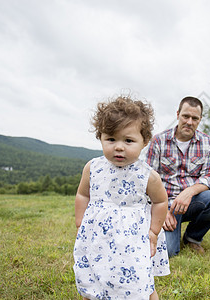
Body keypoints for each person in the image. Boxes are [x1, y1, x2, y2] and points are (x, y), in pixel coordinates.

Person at [74, 96, 170, 300]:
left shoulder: (147, 175)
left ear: (144, 142)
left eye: (128, 140)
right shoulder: (92, 168)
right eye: (111, 139)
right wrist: (80, 221)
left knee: (140, 281)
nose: (119, 147)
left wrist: (153, 232)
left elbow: (161, 202)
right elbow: (83, 194)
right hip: (98, 236)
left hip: (133, 239)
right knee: (93, 278)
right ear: (100, 137)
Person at [146, 96, 210, 257]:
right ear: (177, 114)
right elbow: (148, 181)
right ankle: (168, 231)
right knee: (168, 252)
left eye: (194, 118)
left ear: (200, 120)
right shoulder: (158, 141)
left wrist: (188, 192)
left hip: (192, 202)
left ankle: (193, 237)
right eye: (186, 116)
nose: (189, 122)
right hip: (165, 204)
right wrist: (159, 211)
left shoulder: (208, 142)